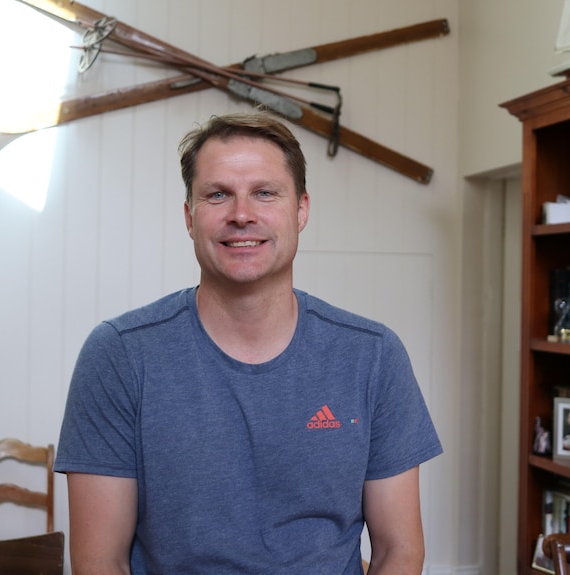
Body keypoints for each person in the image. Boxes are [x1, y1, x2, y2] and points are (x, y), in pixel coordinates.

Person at [53, 111, 443, 575]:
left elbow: (399, 550)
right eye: (218, 195)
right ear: (189, 216)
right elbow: (100, 561)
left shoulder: (373, 354)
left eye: (264, 193)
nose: (242, 215)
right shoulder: (119, 354)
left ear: (301, 210)